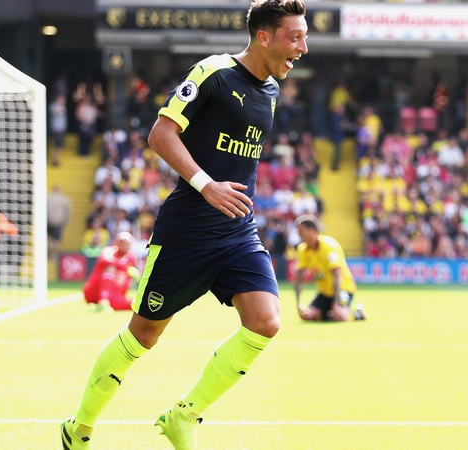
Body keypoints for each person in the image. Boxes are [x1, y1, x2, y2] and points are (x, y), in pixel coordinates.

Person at [59, 1, 308, 449]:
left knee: (266, 322)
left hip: (236, 232)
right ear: (264, 37)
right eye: (295, 36)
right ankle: (79, 427)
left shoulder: (270, 92)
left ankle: (184, 416)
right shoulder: (213, 72)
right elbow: (160, 134)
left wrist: (226, 195)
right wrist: (206, 184)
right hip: (187, 232)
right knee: (144, 334)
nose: (303, 47)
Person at [293, 214, 364, 322]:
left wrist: (335, 304)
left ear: (312, 230)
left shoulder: (329, 246)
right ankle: (328, 314)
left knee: (340, 317)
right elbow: (299, 279)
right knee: (306, 316)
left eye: (301, 230)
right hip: (324, 292)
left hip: (343, 289)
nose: (298, 234)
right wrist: (298, 304)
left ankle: (358, 314)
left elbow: (337, 277)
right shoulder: (302, 250)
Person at [82, 232, 140, 311]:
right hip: (94, 290)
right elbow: (106, 259)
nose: (126, 247)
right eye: (123, 243)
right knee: (110, 268)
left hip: (115, 293)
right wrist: (125, 268)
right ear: (117, 243)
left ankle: (105, 303)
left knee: (137, 304)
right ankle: (103, 301)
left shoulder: (131, 256)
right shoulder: (109, 250)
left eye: (128, 244)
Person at [47, 185, 72, 260]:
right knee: (56, 240)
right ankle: (53, 254)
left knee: (49, 237)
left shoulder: (47, 198)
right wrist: (66, 219)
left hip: (48, 221)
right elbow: (68, 210)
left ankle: (51, 249)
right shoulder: (64, 199)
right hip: (58, 222)